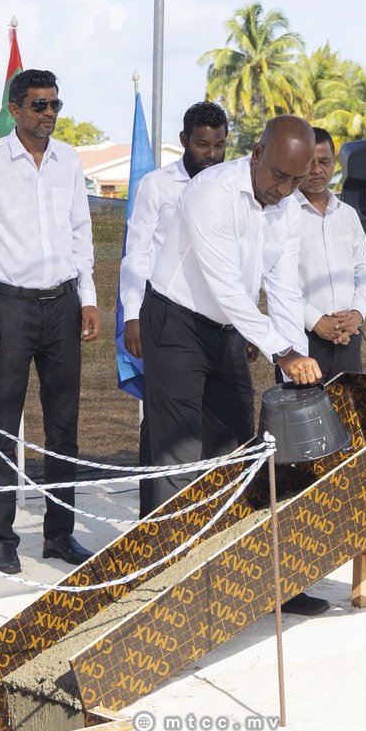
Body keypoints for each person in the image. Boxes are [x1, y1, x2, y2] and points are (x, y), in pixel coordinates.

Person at [141, 115, 329, 616]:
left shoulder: (287, 207)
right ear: (256, 154)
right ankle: (168, 594)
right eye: (278, 176)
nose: (285, 190)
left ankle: (245, 581)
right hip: (177, 321)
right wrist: (280, 351)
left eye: (295, 180)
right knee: (178, 454)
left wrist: (292, 356)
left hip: (228, 332)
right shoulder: (210, 191)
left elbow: (283, 288)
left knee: (236, 454)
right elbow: (225, 285)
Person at [0, 69, 102, 574]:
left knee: (64, 426)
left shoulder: (70, 161)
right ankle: (2, 538)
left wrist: (88, 298)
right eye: (39, 105)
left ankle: (60, 535)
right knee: (1, 425)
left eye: (55, 105)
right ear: (16, 108)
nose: (48, 114)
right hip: (10, 308)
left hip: (63, 306)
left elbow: (81, 234)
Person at [118, 101, 230, 518]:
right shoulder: (157, 185)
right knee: (167, 428)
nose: (212, 154)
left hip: (220, 321)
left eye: (219, 145)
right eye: (203, 145)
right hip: (165, 316)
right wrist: (132, 316)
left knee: (216, 427)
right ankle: (157, 523)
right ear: (184, 140)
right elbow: (137, 254)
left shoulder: (230, 184)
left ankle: (211, 520)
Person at [290, 126, 366, 381]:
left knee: (347, 417)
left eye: (324, 162)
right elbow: (277, 282)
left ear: (334, 164)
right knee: (306, 419)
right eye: (309, 162)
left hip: (349, 338)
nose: (317, 170)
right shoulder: (282, 213)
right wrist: (316, 322)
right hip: (302, 341)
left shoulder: (348, 214)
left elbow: (363, 270)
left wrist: (357, 314)